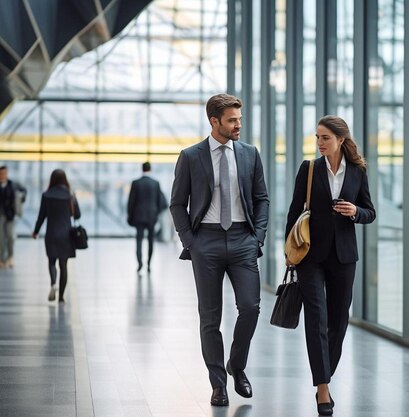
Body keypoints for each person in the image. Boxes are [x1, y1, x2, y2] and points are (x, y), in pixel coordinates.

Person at [170, 93, 269, 407]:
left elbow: (262, 199)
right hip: (207, 242)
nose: (238, 125)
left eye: (239, 119)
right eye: (232, 120)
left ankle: (236, 366)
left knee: (251, 308)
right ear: (214, 121)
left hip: (243, 240)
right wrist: (192, 242)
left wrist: (258, 238)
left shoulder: (250, 154)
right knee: (210, 318)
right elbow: (177, 204)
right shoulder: (190, 156)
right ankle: (218, 384)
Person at [285, 115, 376, 416]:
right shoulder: (309, 169)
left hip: (344, 256)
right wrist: (289, 250)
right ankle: (322, 387)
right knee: (316, 317)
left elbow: (370, 212)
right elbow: (294, 210)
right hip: (310, 255)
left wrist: (355, 212)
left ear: (341, 139)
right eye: (317, 137)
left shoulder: (358, 171)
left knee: (338, 321)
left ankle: (325, 372)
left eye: (325, 137)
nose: (320, 143)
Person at [32, 169, 81, 303]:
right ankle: (61, 297)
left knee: (52, 262)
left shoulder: (46, 195)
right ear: (65, 179)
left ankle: (53, 283)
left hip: (51, 234)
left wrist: (35, 231)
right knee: (63, 265)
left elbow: (41, 216)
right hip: (66, 235)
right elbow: (77, 214)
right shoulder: (70, 195)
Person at [127, 161, 168, 273]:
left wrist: (130, 216)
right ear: (150, 169)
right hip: (151, 217)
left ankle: (140, 263)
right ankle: (149, 263)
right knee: (151, 241)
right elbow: (160, 202)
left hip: (138, 216)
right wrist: (156, 213)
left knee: (139, 241)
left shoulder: (136, 183)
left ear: (142, 169)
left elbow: (131, 202)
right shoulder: (155, 183)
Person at [0, 165, 27, 268]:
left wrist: (20, 199)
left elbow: (23, 191)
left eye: (4, 173)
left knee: (10, 236)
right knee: (1, 237)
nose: (3, 175)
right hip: (0, 215)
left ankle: (10, 257)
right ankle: (2, 258)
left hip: (10, 215)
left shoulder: (12, 184)